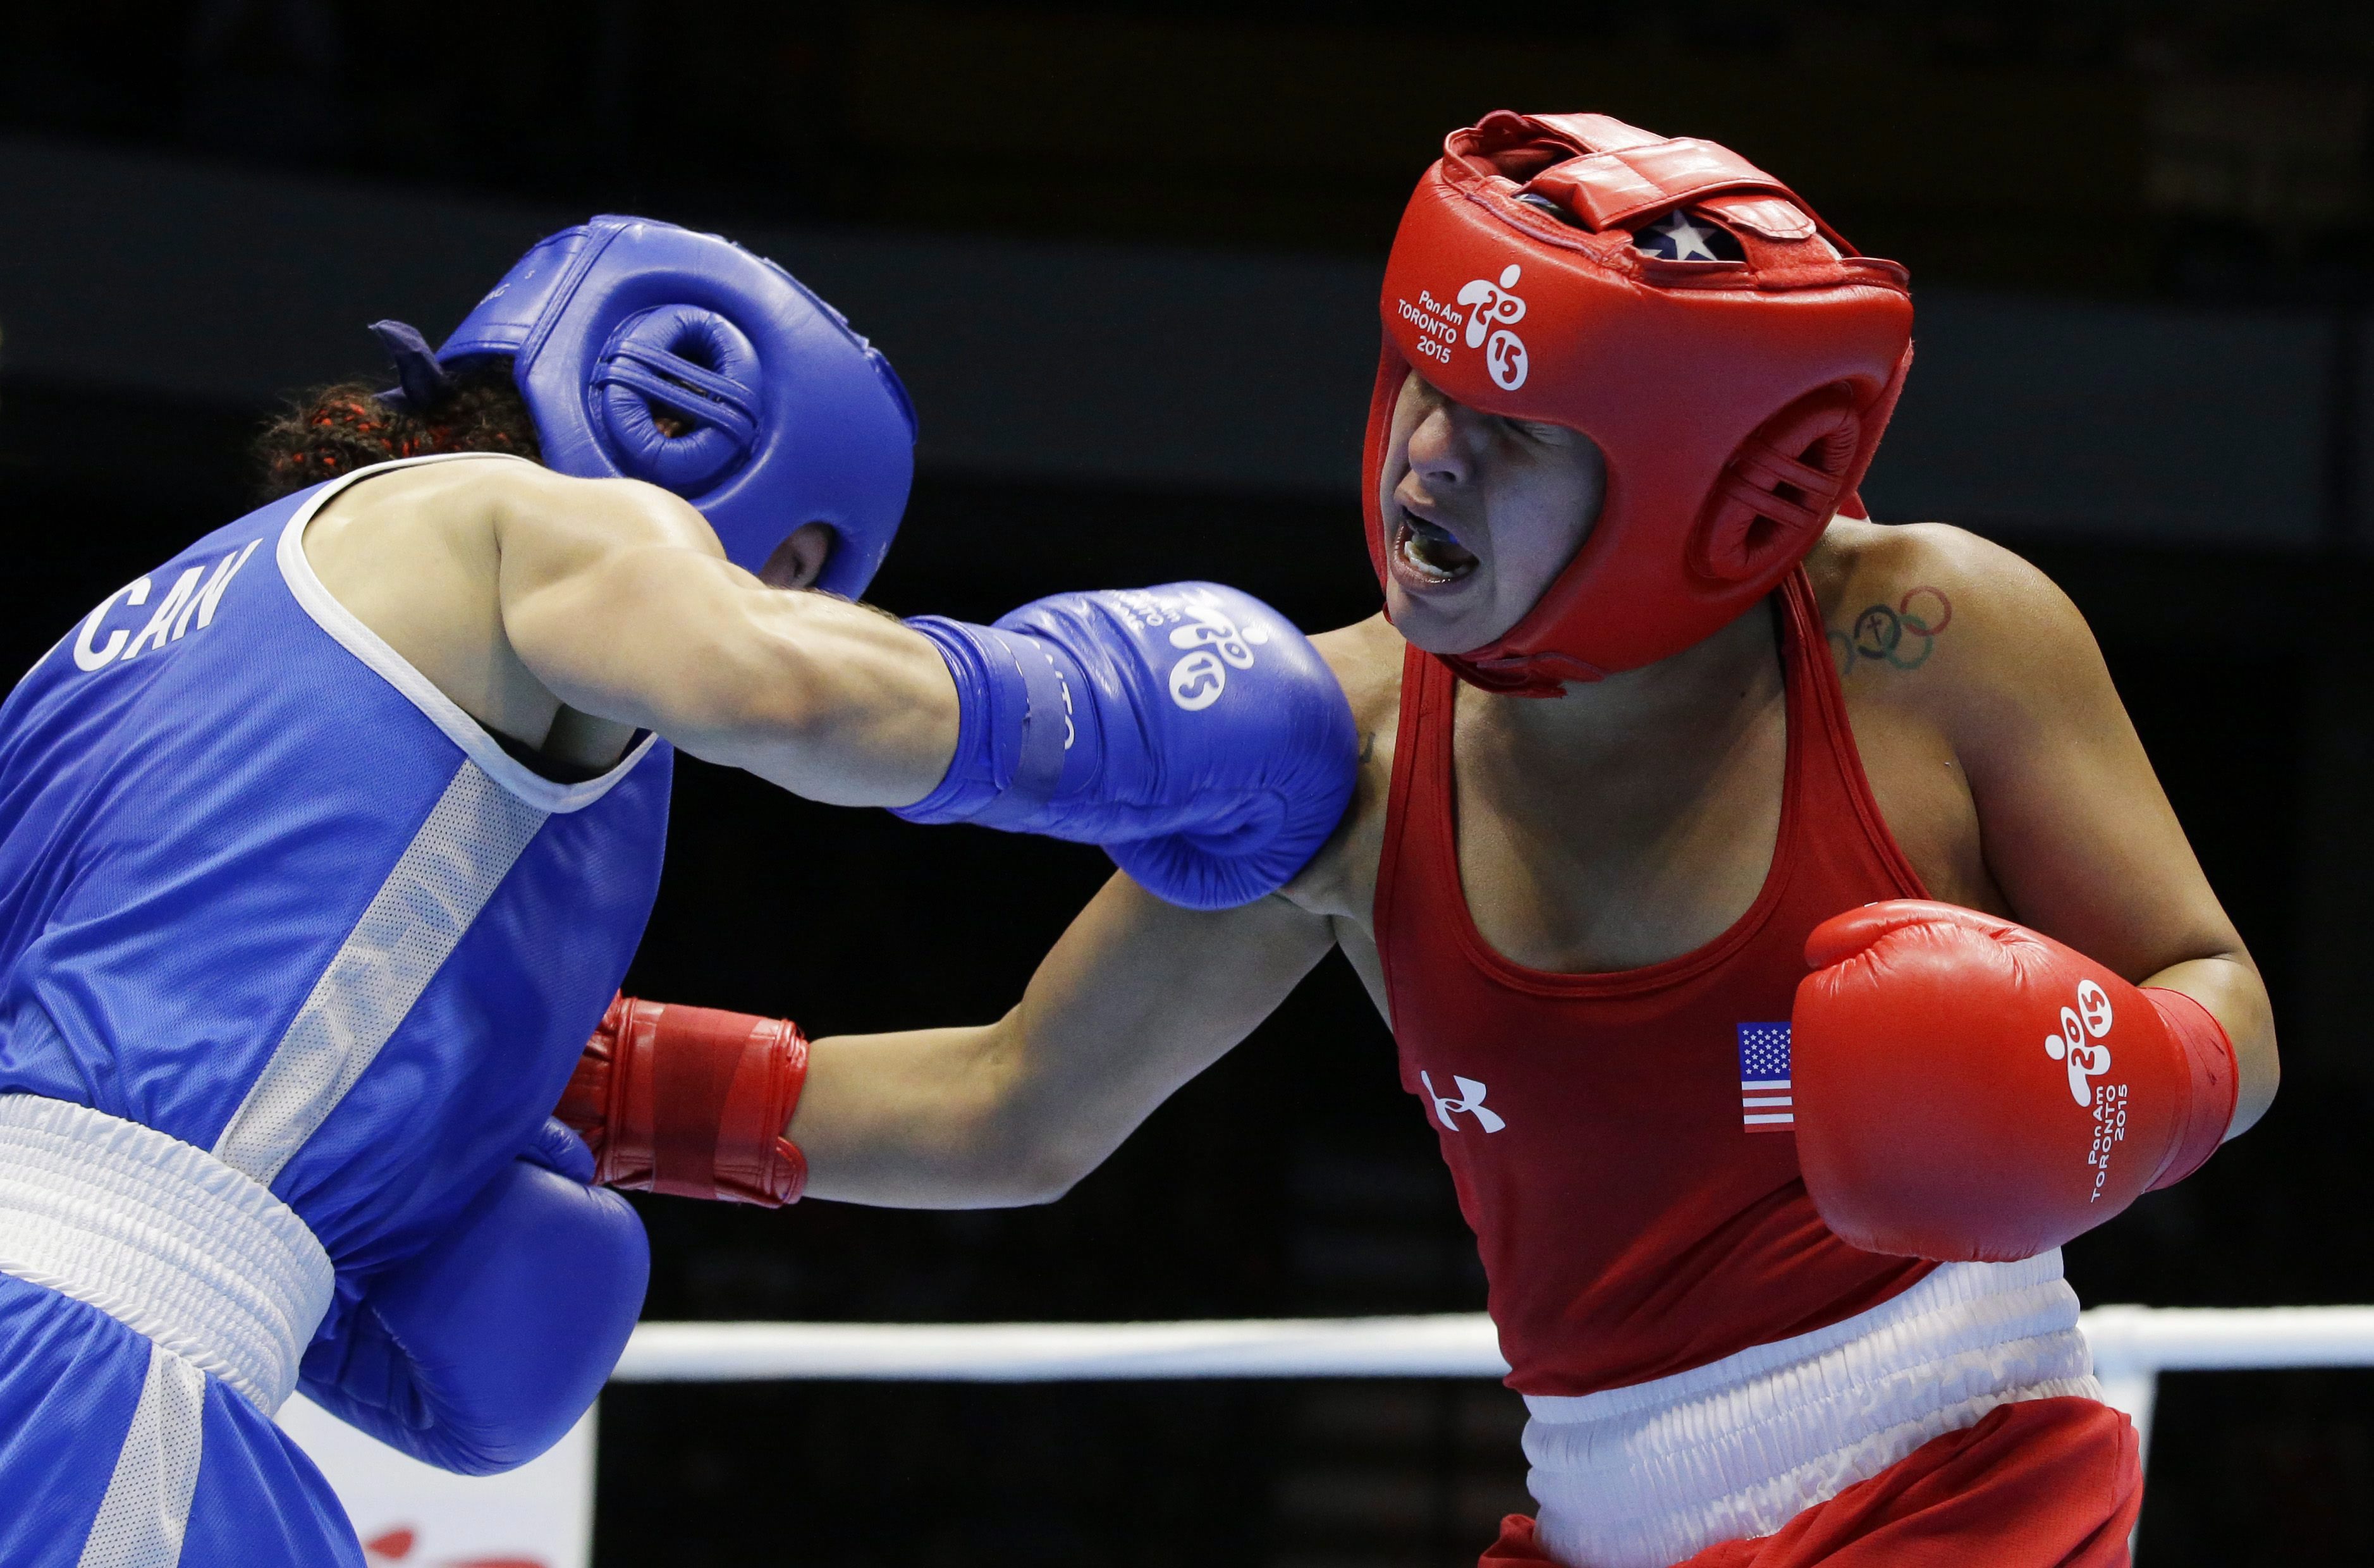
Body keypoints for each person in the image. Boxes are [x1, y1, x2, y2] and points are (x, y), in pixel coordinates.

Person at [587, 116, 2278, 1566]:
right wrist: (568, 1087)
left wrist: (2123, 1082)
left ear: (1722, 483)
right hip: (1594, 1515)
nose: (1426, 462)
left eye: (1516, 425)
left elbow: (2216, 995)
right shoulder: (1338, 752)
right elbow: (1010, 1106)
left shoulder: (1929, 641)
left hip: (1966, 1476)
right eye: (1422, 381)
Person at [0, 214, 1354, 1567]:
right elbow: (772, 684)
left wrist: (1275, 844)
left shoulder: (156, 676)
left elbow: (1006, 1121)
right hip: (87, 1367)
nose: (788, 600)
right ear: (682, 428)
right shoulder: (533, 522)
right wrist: (1107, 720)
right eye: (804, 570)